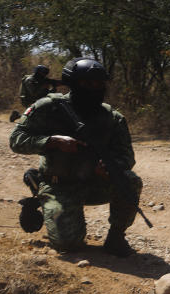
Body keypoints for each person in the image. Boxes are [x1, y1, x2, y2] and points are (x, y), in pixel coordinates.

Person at [9, 57, 143, 256]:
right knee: (68, 246)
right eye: (87, 83)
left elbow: (127, 156)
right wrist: (52, 141)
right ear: (72, 83)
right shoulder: (48, 107)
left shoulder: (112, 117)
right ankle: (38, 191)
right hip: (58, 185)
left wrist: (109, 167)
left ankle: (116, 238)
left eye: (99, 84)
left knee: (129, 181)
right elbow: (16, 140)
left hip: (94, 183)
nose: (94, 88)